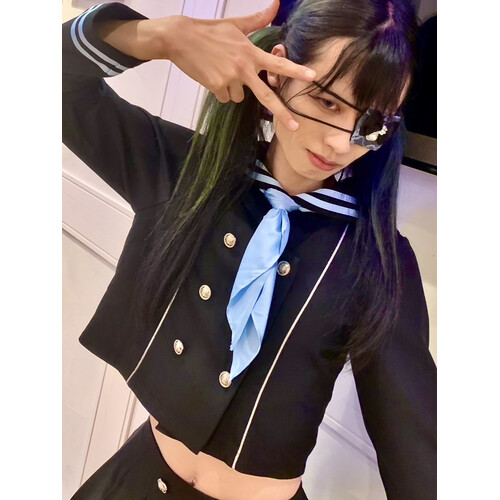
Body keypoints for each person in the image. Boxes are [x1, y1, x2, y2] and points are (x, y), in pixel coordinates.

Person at [62, 0, 437, 499]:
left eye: (370, 123)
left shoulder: (378, 261)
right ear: (276, 72)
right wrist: (159, 38)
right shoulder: (187, 173)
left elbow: (416, 449)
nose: (341, 143)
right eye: (327, 102)